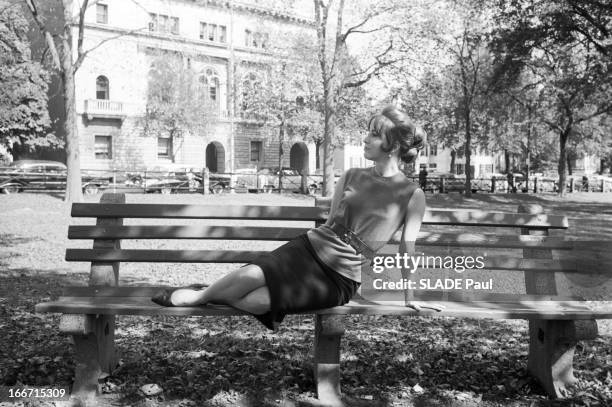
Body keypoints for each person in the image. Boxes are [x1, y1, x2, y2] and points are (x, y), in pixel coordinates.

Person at [151, 106, 441, 330]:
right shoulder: (352, 175)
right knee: (251, 275)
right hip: (309, 249)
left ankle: (208, 293)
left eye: (374, 135)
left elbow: (407, 248)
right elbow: (331, 224)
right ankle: (198, 297)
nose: (365, 139)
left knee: (259, 300)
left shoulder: (411, 194)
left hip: (340, 277)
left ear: (391, 146)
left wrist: (408, 294)